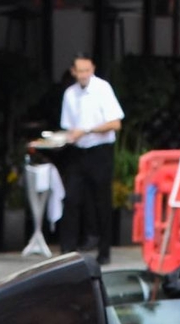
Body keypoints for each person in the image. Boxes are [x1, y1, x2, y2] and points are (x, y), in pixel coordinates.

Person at [56, 54, 121, 263]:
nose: (83, 75)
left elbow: (115, 123)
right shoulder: (70, 94)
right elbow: (68, 126)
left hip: (99, 150)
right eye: (79, 71)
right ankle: (68, 250)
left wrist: (86, 130)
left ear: (92, 69)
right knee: (72, 199)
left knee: (102, 200)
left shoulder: (103, 89)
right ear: (73, 72)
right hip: (78, 150)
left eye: (87, 70)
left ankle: (104, 251)